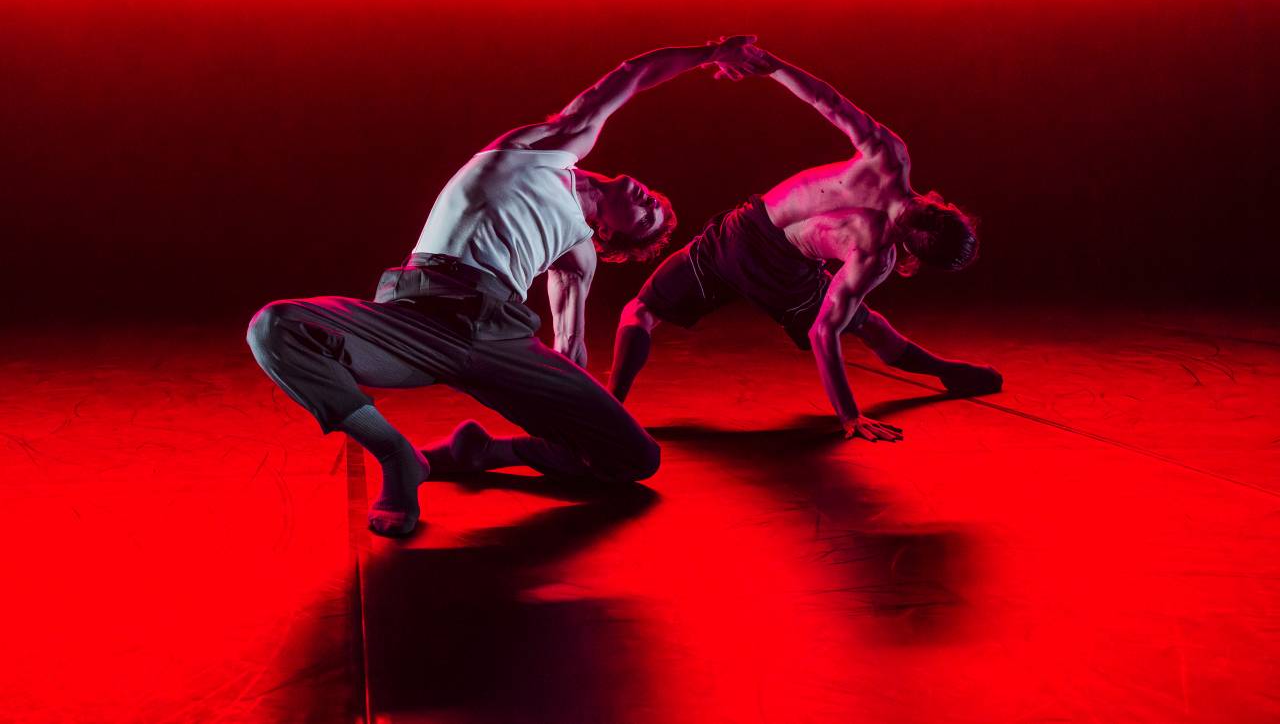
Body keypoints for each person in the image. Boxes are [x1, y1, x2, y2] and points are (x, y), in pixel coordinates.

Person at [247, 36, 755, 536]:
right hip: (417, 318)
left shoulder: (578, 253)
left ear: (609, 233)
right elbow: (629, 77)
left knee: (635, 457)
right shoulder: (549, 148)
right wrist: (710, 53)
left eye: (647, 216)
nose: (649, 200)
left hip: (501, 338)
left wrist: (578, 415)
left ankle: (481, 452)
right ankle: (397, 456)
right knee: (275, 328)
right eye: (655, 201)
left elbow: (570, 347)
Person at [608, 42, 1002, 443]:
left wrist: (773, 67)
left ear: (941, 207)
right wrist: (849, 416)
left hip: (742, 239)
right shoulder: (875, 252)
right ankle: (943, 370)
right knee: (868, 323)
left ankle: (610, 410)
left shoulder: (888, 163)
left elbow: (827, 101)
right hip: (782, 274)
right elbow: (823, 333)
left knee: (640, 310)